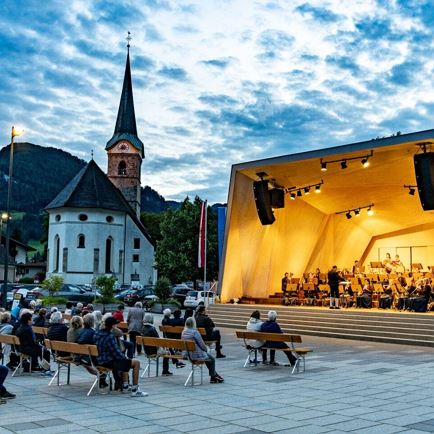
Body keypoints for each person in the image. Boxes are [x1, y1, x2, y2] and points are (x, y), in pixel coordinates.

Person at [94, 316, 147, 397]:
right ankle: (135, 390)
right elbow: (116, 353)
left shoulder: (97, 334)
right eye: (115, 325)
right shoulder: (109, 337)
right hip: (108, 362)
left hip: (100, 361)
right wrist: (126, 358)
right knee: (136, 363)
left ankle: (125, 386)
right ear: (112, 326)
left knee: (125, 360)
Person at [182, 317, 224, 384]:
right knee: (212, 359)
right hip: (196, 355)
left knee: (208, 358)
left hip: (188, 354)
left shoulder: (184, 332)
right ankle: (213, 376)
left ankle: (214, 376)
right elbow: (202, 345)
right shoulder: (195, 332)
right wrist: (206, 350)